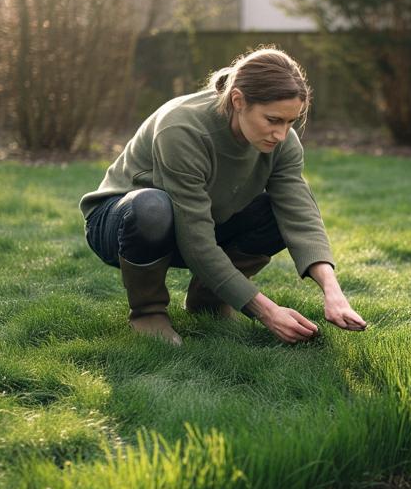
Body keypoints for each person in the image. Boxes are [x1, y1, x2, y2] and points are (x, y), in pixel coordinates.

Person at [80, 47, 367, 346]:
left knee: (276, 215)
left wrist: (334, 294)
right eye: (272, 120)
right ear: (238, 100)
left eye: (290, 122)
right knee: (153, 207)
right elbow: (195, 237)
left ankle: (209, 299)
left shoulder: (283, 142)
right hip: (122, 224)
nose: (281, 134)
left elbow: (300, 214)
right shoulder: (181, 129)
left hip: (196, 222)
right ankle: (147, 312)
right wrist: (266, 311)